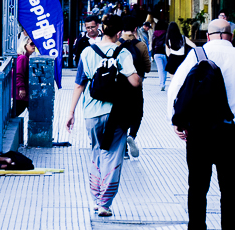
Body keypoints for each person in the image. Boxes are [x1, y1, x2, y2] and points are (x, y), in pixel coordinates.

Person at [166, 18, 235, 230]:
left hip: (199, 133)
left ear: (208, 36)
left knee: (197, 187)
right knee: (230, 190)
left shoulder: (196, 55)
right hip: (233, 134)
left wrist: (176, 121)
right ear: (232, 36)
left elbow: (175, 89)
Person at [65, 15, 141, 217]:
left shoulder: (87, 52)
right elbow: (135, 81)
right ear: (118, 33)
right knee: (113, 156)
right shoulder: (122, 52)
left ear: (102, 29)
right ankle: (104, 204)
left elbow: (79, 84)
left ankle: (95, 198)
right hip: (116, 113)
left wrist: (71, 112)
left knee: (96, 152)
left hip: (91, 112)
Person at [119, 16, 151, 159]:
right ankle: (132, 135)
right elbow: (148, 68)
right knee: (137, 114)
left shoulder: (116, 44)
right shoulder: (141, 45)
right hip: (136, 86)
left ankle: (123, 150)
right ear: (135, 29)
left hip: (119, 87)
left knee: (121, 115)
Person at [13, 36, 36, 116]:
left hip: (23, 93)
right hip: (21, 94)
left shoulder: (26, 57)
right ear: (25, 45)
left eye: (34, 44)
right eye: (31, 44)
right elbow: (19, 74)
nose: (34, 46)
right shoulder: (23, 58)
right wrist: (21, 88)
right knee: (15, 113)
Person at [152, 20, 169, 90]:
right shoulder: (166, 33)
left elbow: (153, 44)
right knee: (165, 69)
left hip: (156, 53)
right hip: (165, 53)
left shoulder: (154, 33)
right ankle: (163, 83)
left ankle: (162, 84)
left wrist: (152, 53)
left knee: (160, 69)